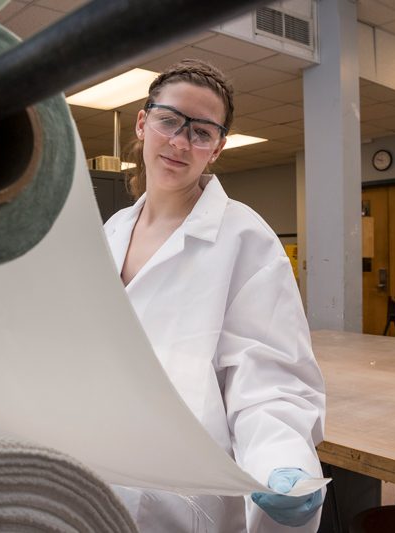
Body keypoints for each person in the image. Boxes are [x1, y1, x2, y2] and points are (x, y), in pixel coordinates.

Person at [103, 59, 326, 532]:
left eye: (202, 132)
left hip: (181, 492)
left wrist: (280, 460)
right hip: (95, 467)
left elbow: (269, 380)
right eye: (170, 121)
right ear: (144, 123)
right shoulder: (110, 232)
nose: (181, 142)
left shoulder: (245, 238)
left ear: (218, 148)